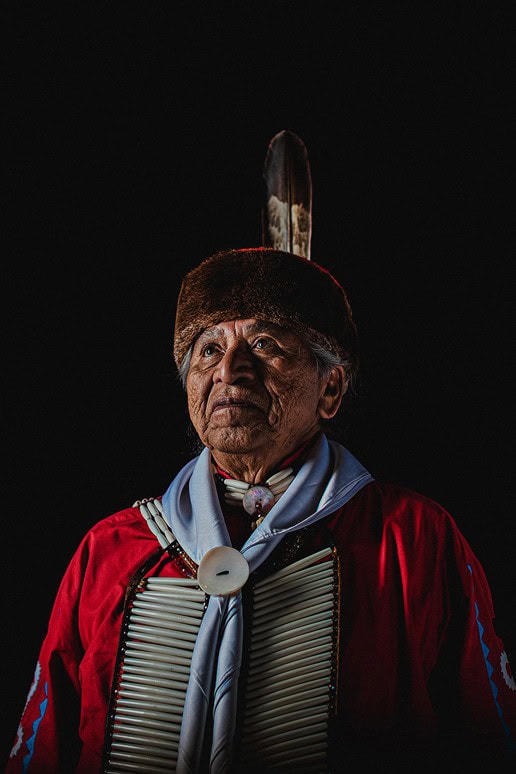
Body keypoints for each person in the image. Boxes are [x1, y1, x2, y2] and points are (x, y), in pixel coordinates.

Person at [6, 247, 516, 773]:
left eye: (265, 344)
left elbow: (491, 739)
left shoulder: (411, 538)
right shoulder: (113, 549)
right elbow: (43, 748)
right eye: (208, 349)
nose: (231, 370)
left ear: (331, 388)